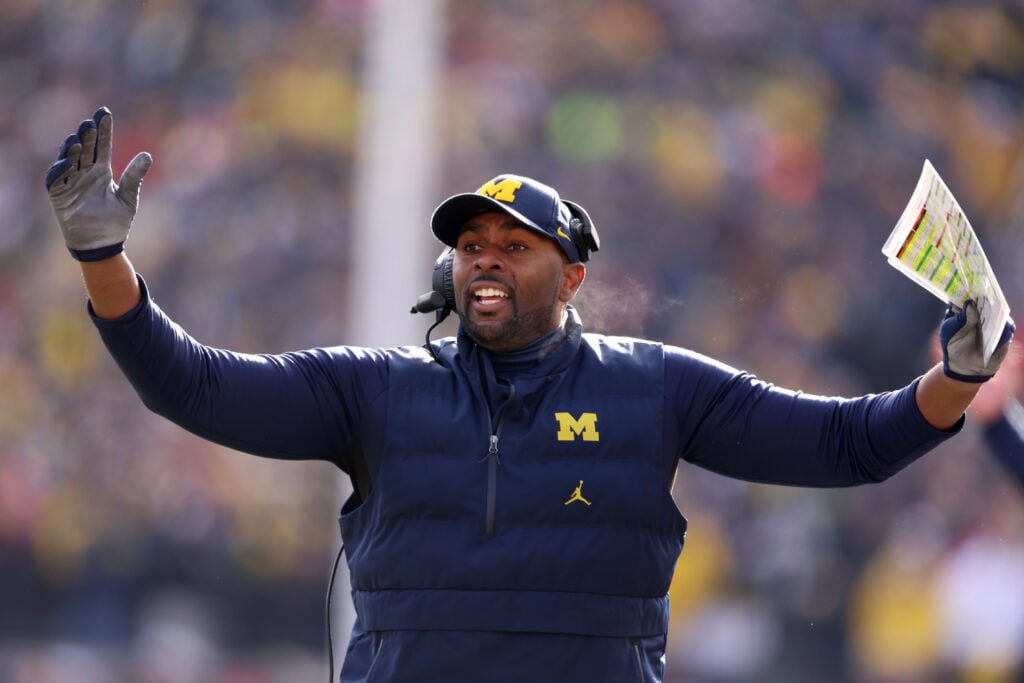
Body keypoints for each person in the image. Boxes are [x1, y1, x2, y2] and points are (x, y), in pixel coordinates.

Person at [44, 107, 1015, 683]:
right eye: (471, 245)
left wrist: (956, 376)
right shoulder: (375, 389)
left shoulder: (654, 385)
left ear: (574, 274)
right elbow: (191, 384)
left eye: (514, 245)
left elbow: (845, 444)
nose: (486, 262)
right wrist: (104, 258)